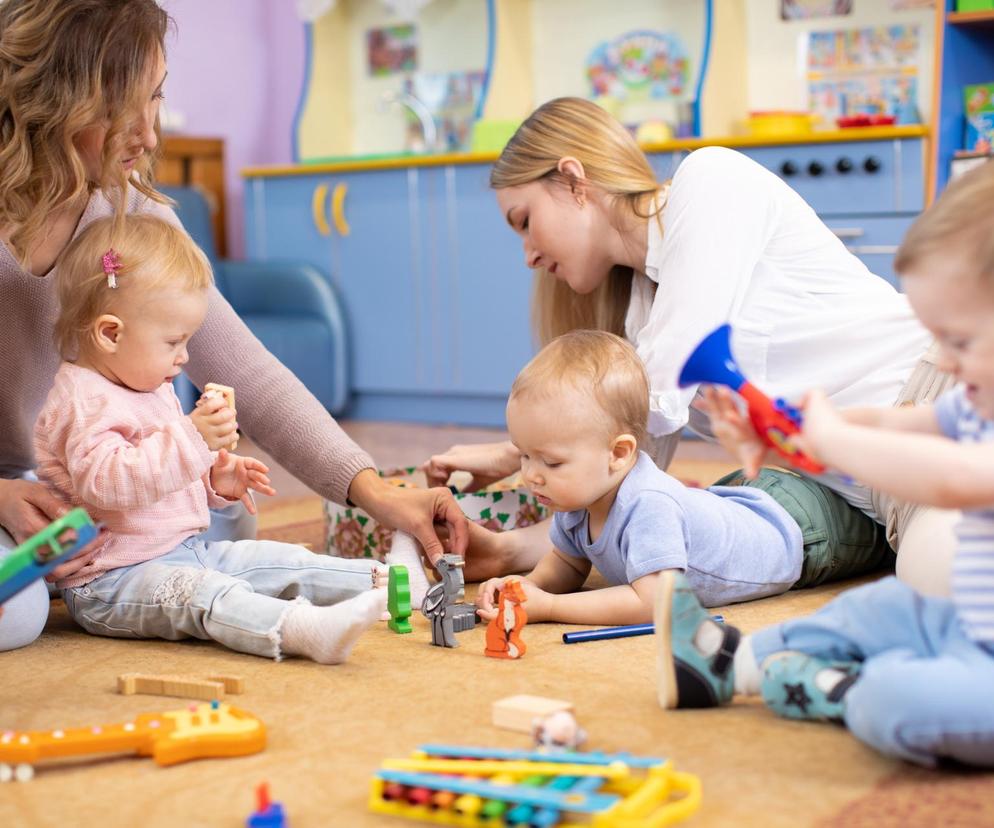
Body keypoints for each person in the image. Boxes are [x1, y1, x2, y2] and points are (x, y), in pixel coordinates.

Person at [0, 0, 465, 651]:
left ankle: (108, 569)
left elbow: (248, 370)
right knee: (13, 617)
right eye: (122, 109)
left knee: (229, 520)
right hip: (20, 487)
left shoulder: (134, 225)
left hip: (93, 502)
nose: (150, 134)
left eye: (155, 98)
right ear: (55, 99)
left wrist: (377, 495)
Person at [423, 96, 951, 591]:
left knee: (944, 578)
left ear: (573, 181)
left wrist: (519, 451)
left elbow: (666, 386)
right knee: (932, 581)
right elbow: (617, 492)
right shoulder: (640, 325)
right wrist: (508, 549)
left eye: (525, 222)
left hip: (937, 399)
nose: (528, 256)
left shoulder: (712, 182)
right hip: (879, 495)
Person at [654, 162, 994, 768]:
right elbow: (889, 426)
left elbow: (946, 476)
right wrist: (783, 436)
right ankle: (726, 665)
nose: (939, 357)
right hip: (968, 628)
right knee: (878, 609)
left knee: (894, 694)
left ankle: (837, 691)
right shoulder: (972, 404)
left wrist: (832, 439)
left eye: (959, 341)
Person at [34, 213, 402, 663]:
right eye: (173, 342)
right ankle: (298, 628)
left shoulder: (147, 384)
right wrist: (193, 439)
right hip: (114, 580)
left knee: (271, 559)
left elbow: (162, 477)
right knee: (211, 596)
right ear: (111, 333)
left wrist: (213, 482)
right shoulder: (82, 397)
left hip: (183, 549)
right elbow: (107, 484)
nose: (185, 356)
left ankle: (386, 581)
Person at [474, 331, 889, 627]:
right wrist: (524, 587)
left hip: (802, 534)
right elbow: (567, 562)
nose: (531, 475)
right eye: (524, 455)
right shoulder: (573, 500)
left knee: (887, 535)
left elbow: (654, 603)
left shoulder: (646, 504)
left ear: (618, 455)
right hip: (744, 498)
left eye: (550, 462)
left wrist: (548, 608)